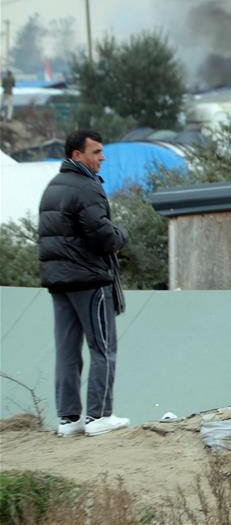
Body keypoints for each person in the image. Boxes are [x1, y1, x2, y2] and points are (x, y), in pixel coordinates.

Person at [38, 130, 130, 437]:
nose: (102, 157)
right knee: (103, 348)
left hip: (59, 283)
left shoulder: (53, 186)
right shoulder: (86, 186)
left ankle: (70, 420)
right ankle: (99, 416)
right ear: (77, 155)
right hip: (89, 280)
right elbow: (102, 234)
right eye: (96, 152)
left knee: (67, 351)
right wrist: (122, 237)